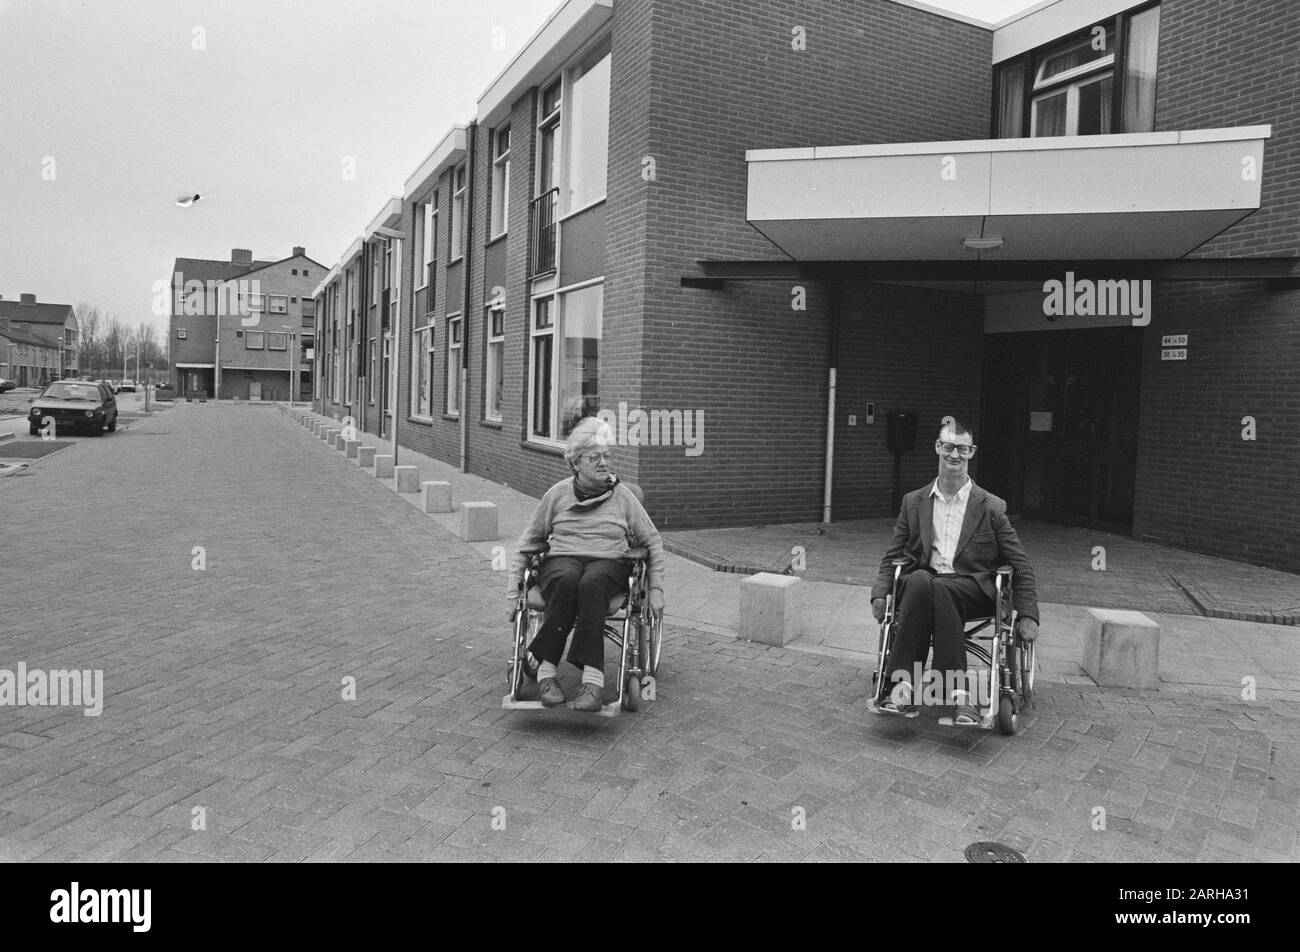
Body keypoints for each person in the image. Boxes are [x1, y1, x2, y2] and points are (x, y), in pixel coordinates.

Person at [871, 419, 1039, 725]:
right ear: (938, 448)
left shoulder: (990, 506)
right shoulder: (914, 502)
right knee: (922, 579)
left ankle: (955, 692)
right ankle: (905, 688)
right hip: (925, 587)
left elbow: (1020, 563)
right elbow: (892, 555)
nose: (954, 455)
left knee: (941, 587)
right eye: (948, 446)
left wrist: (1027, 614)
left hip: (973, 589)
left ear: (971, 452)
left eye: (962, 449)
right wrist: (880, 593)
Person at [508, 417, 665, 712]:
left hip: (608, 563)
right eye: (595, 457)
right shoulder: (557, 495)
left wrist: (655, 588)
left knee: (591, 582)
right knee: (568, 579)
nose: (604, 463)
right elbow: (527, 544)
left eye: (607, 456)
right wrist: (510, 595)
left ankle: (592, 682)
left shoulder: (623, 497)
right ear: (576, 462)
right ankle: (547, 675)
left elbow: (653, 541)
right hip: (561, 561)